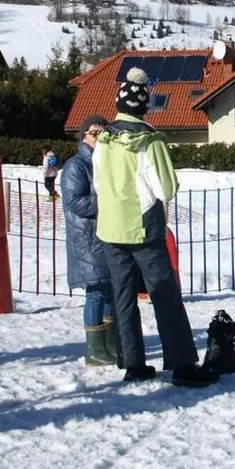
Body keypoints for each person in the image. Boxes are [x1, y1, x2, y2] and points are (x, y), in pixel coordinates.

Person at [93, 66, 217, 388]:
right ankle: (183, 365)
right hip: (143, 227)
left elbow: (98, 182)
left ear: (119, 104)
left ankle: (132, 362)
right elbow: (167, 186)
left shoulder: (103, 140)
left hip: (110, 228)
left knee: (122, 295)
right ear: (145, 107)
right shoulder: (149, 141)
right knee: (164, 295)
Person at [62, 115, 117, 366]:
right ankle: (94, 349)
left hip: (104, 234)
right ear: (84, 135)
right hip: (86, 237)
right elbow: (75, 201)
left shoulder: (104, 161)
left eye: (103, 134)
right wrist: (108, 201)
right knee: (95, 291)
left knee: (109, 290)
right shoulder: (76, 165)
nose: (99, 138)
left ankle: (109, 344)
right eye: (94, 133)